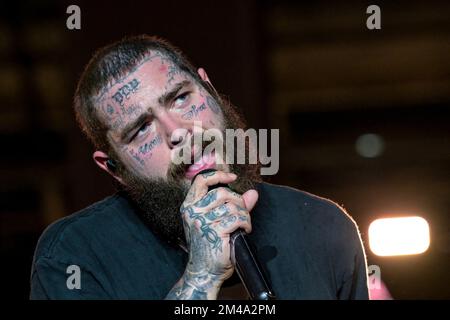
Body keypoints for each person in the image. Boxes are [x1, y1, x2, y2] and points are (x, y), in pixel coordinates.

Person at [30, 35, 369, 300]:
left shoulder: (323, 227)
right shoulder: (72, 256)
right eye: (141, 128)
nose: (177, 131)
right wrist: (201, 276)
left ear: (209, 88)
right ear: (114, 168)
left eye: (181, 98)